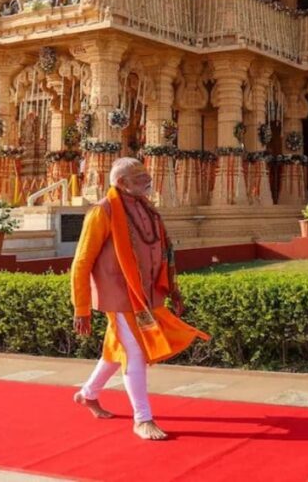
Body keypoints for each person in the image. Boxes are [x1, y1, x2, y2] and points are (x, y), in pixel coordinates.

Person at [71, 157, 208, 440]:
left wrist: (172, 288)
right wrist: (81, 307)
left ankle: (88, 394)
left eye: (146, 174)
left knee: (117, 350)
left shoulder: (146, 209)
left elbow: (161, 252)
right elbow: (82, 261)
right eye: (139, 177)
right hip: (121, 296)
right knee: (135, 352)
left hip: (147, 296)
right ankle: (142, 418)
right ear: (121, 183)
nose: (147, 180)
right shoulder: (103, 211)